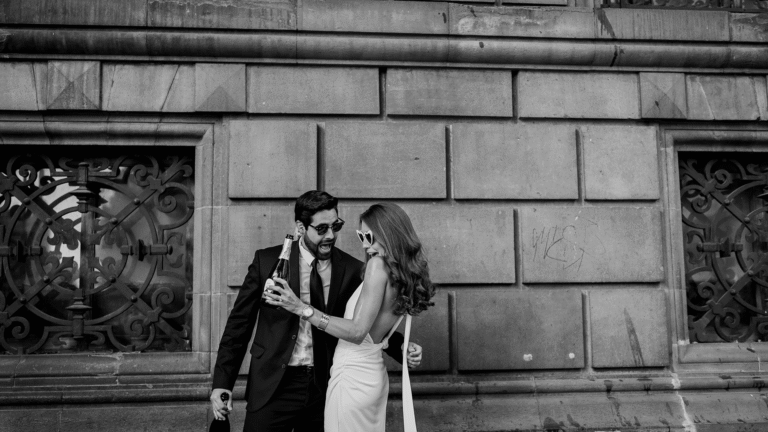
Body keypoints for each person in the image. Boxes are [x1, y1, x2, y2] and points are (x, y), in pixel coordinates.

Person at [210, 191, 422, 432]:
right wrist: (222, 382)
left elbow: (362, 323)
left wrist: (400, 346)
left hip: (324, 384)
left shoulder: (354, 270)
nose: (330, 235)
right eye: (322, 229)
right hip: (272, 385)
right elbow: (239, 324)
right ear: (301, 227)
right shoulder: (266, 261)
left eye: (335, 226)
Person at [265, 202, 435, 432]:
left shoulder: (377, 266)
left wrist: (301, 308)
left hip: (352, 378)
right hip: (373, 377)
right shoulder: (401, 275)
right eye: (361, 236)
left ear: (388, 234)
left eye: (369, 237)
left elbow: (357, 331)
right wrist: (403, 345)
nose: (365, 245)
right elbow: (377, 328)